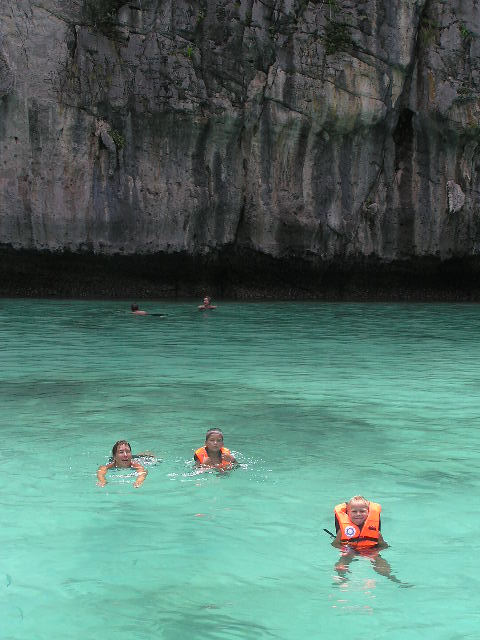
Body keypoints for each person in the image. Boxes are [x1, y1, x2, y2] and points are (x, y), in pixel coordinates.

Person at [331, 496, 409, 586]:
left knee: (381, 564)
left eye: (362, 511)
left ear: (368, 512)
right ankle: (341, 578)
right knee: (342, 564)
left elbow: (382, 545)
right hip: (350, 550)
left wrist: (376, 551)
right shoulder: (343, 531)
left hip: (370, 550)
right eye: (354, 511)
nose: (358, 514)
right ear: (348, 513)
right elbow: (335, 544)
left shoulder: (375, 531)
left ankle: (393, 578)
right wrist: (344, 549)